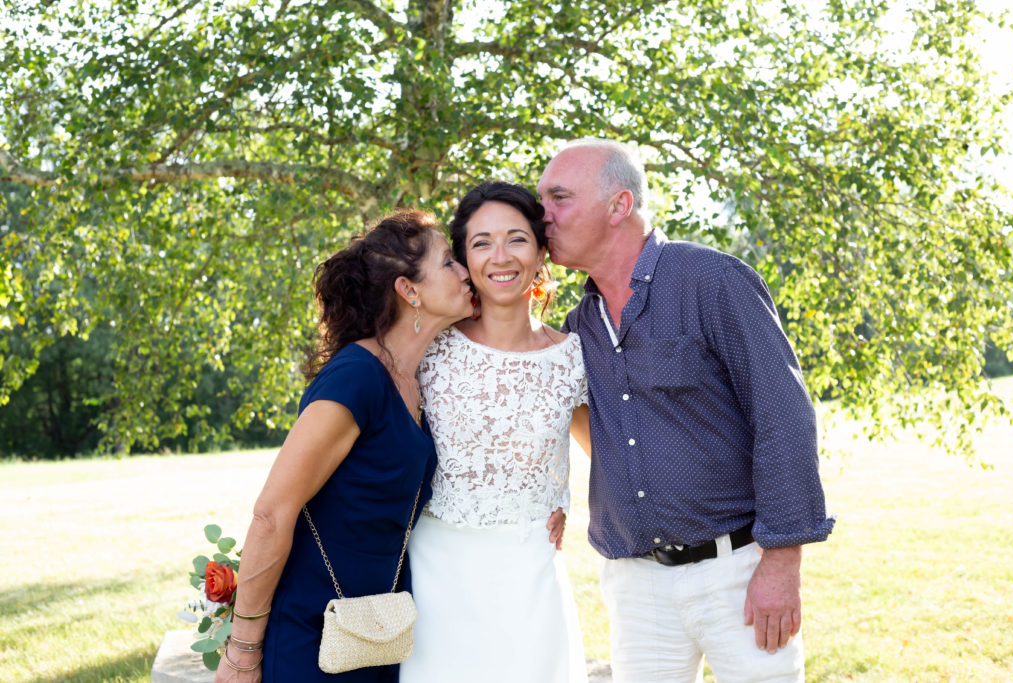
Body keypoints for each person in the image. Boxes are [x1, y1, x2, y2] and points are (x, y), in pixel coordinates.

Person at [537, 139, 836, 682]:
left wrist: (782, 561)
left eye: (558, 197)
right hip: (635, 586)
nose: (543, 215)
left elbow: (783, 418)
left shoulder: (713, 281)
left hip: (738, 572)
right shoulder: (578, 326)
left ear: (619, 205)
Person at [214, 211, 473, 683]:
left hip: (379, 630)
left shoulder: (415, 381)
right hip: (314, 631)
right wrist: (242, 652)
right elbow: (272, 513)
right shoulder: (356, 376)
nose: (465, 271)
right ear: (408, 290)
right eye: (449, 262)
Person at [399, 181, 591, 682]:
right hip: (436, 571)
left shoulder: (572, 358)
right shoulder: (430, 348)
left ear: (542, 249)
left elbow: (612, 459)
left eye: (517, 239)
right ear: (463, 258)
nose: (500, 257)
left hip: (528, 573)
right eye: (481, 242)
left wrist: (564, 500)